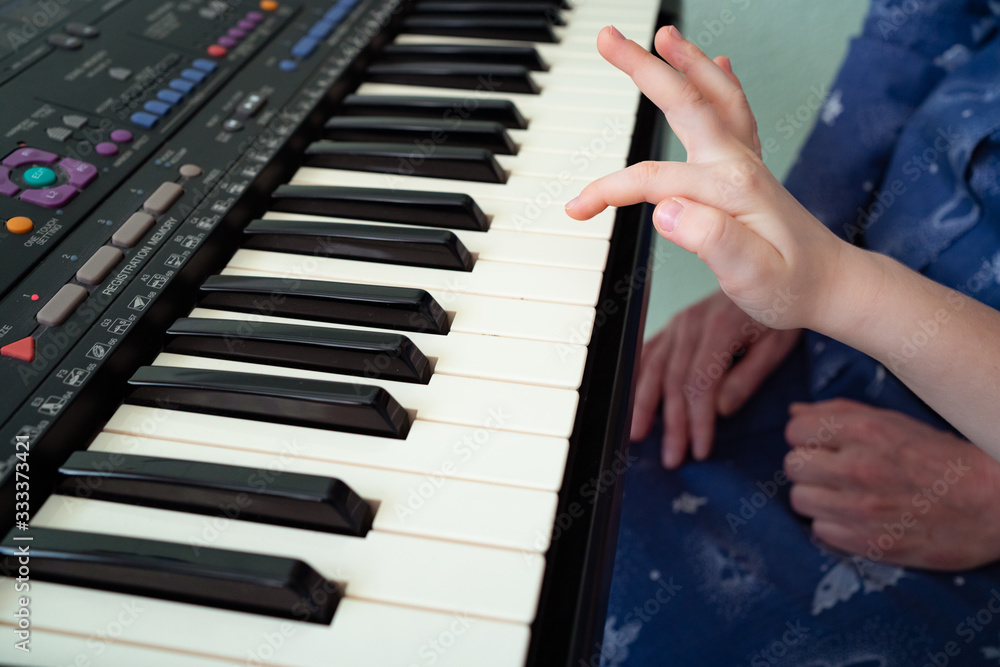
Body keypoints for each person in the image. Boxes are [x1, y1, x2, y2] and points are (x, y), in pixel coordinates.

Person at [564, 2, 1000, 664]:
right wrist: (790, 233)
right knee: (562, 468)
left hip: (968, 521)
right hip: (822, 347)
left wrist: (832, 283)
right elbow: (930, 16)